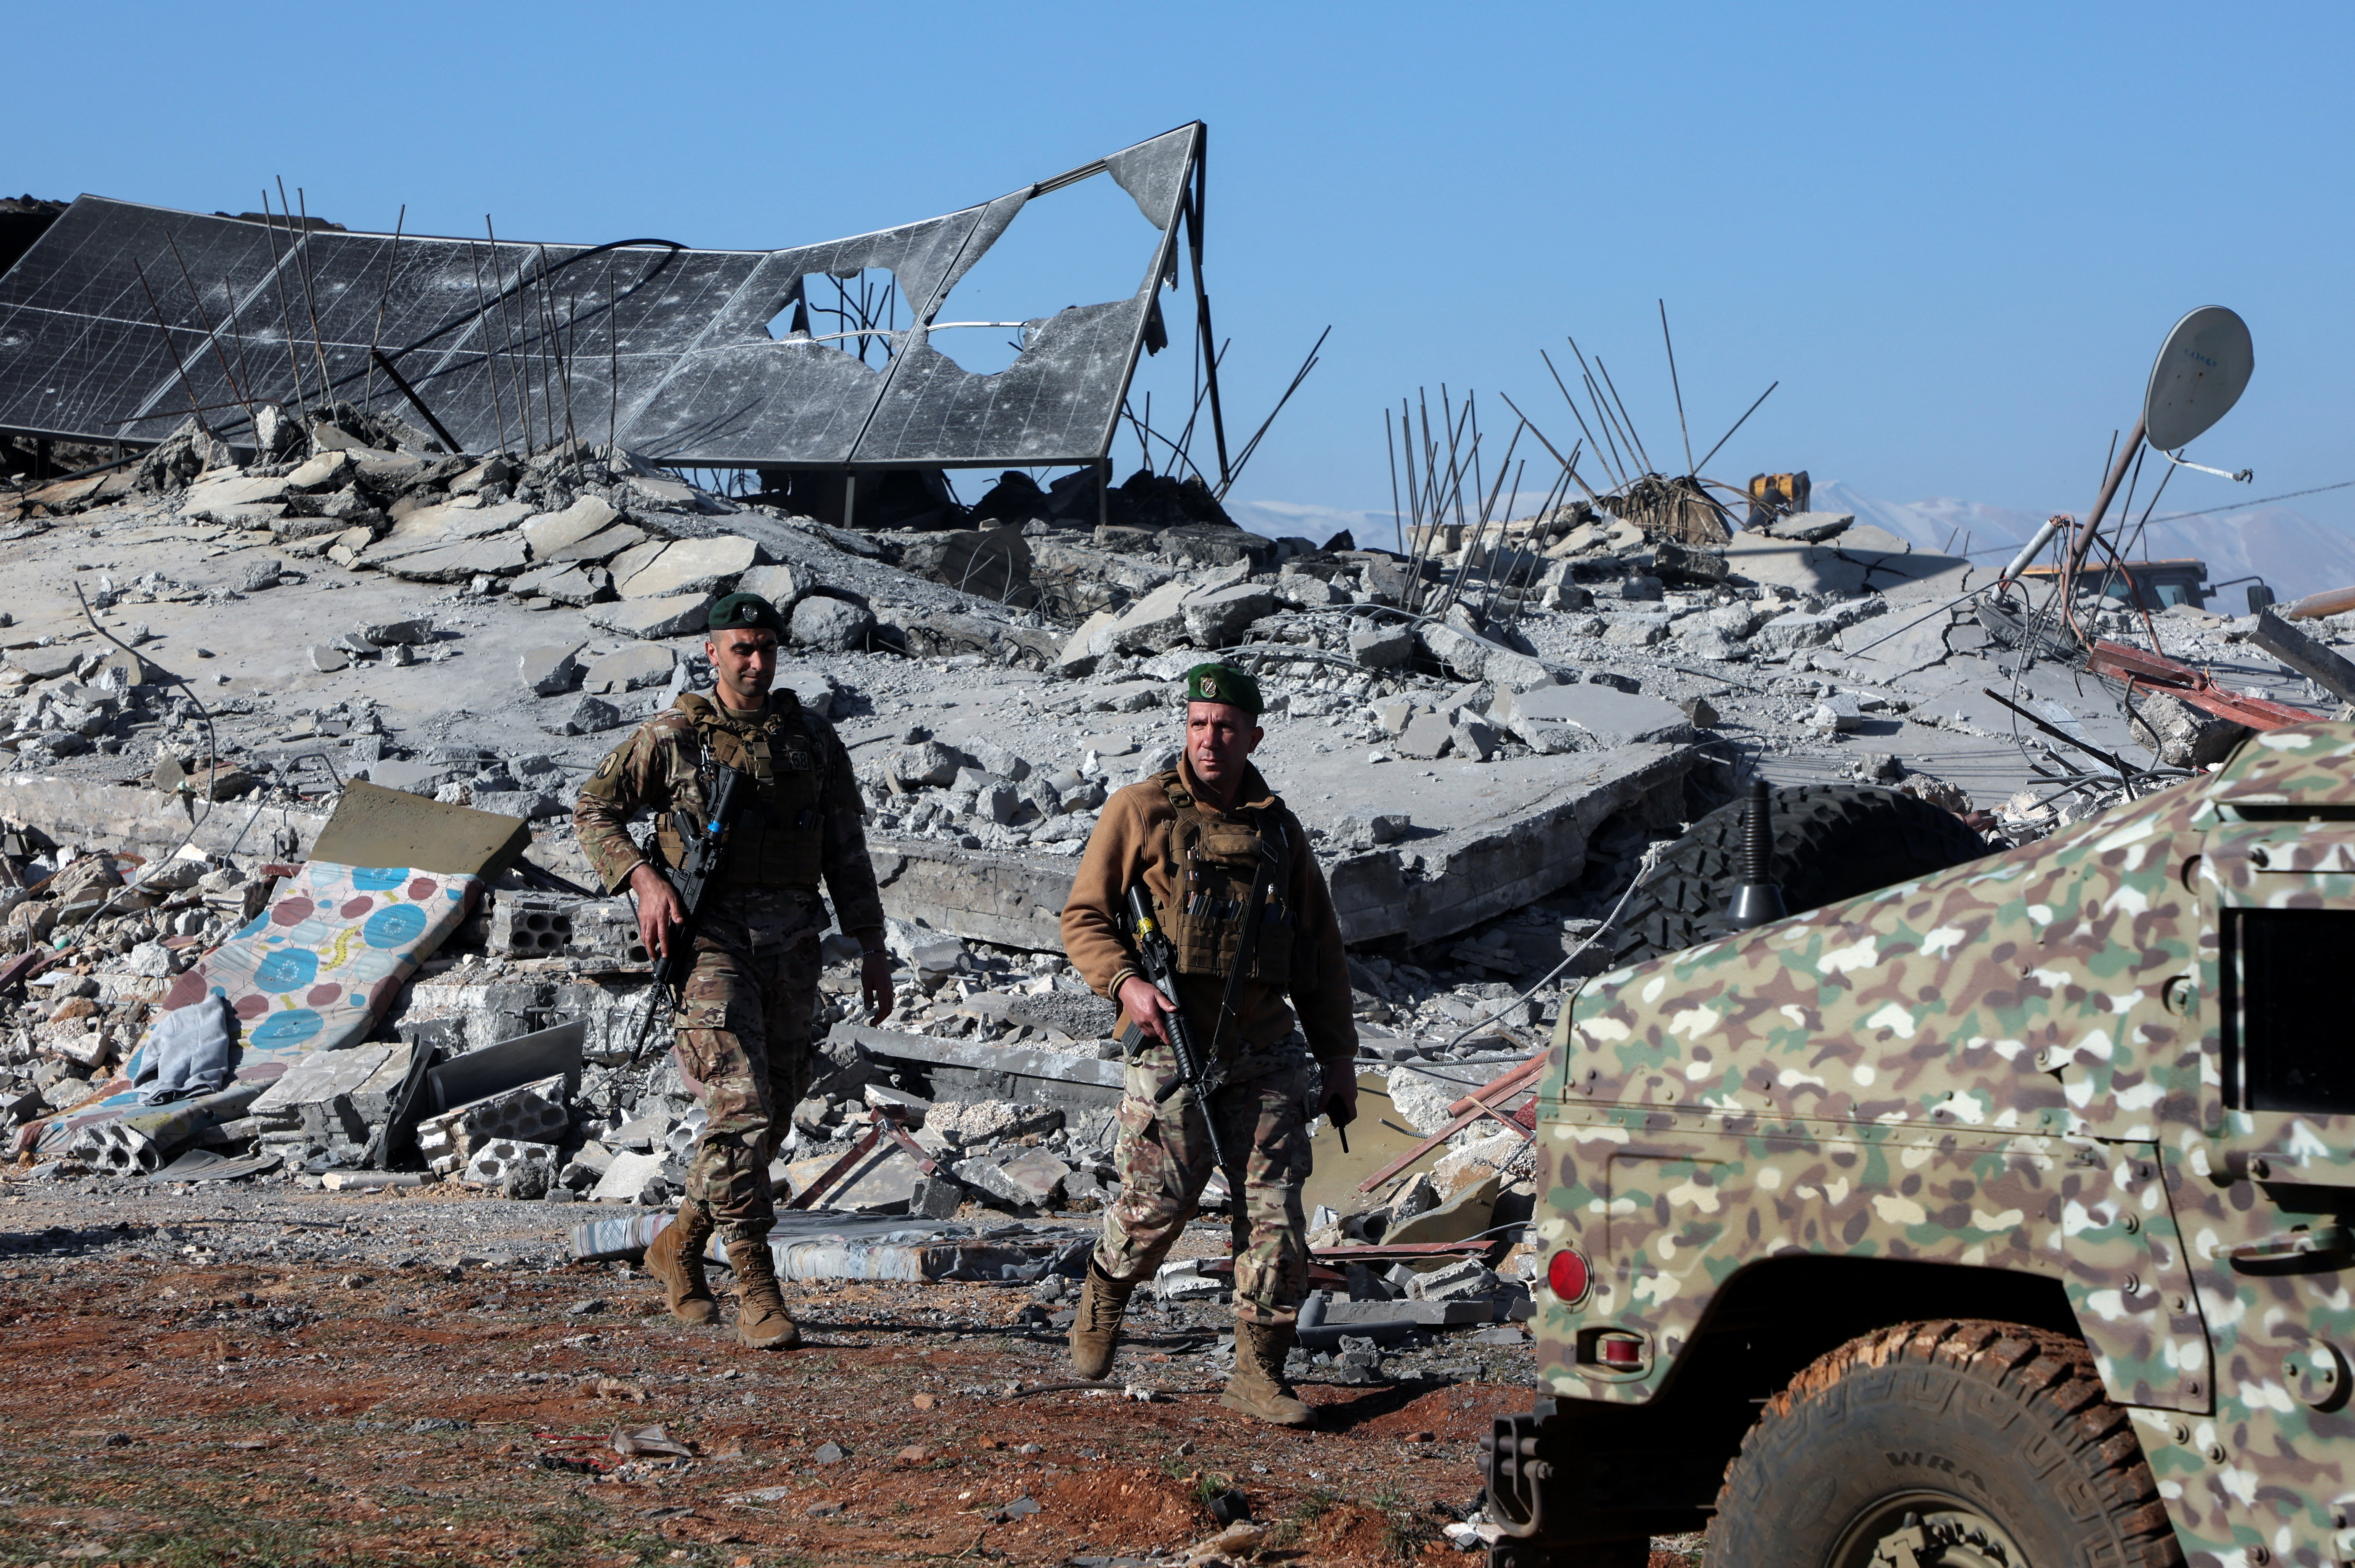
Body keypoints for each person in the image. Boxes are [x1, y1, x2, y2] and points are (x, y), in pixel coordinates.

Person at [573, 592, 894, 1350]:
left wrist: (872, 946)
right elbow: (592, 809)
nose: (755, 663)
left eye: (766, 649)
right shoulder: (673, 736)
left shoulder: (811, 739)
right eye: (740, 648)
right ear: (711, 653)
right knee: (741, 1111)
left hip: (793, 943)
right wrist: (643, 881)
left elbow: (845, 846)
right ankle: (754, 1280)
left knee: (774, 1112)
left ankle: (679, 1243)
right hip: (710, 941)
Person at [1057, 662, 1359, 1425]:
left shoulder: (1280, 832)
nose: (1210, 740)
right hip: (1169, 1039)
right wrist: (1126, 983)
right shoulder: (1139, 811)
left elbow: (1320, 953)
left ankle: (1258, 1374)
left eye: (1225, 726)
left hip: (1264, 1045)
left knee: (1276, 1215)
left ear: (1254, 734)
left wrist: (1340, 1059)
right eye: (1197, 724)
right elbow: (1085, 917)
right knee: (1156, 1206)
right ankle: (1105, 1292)